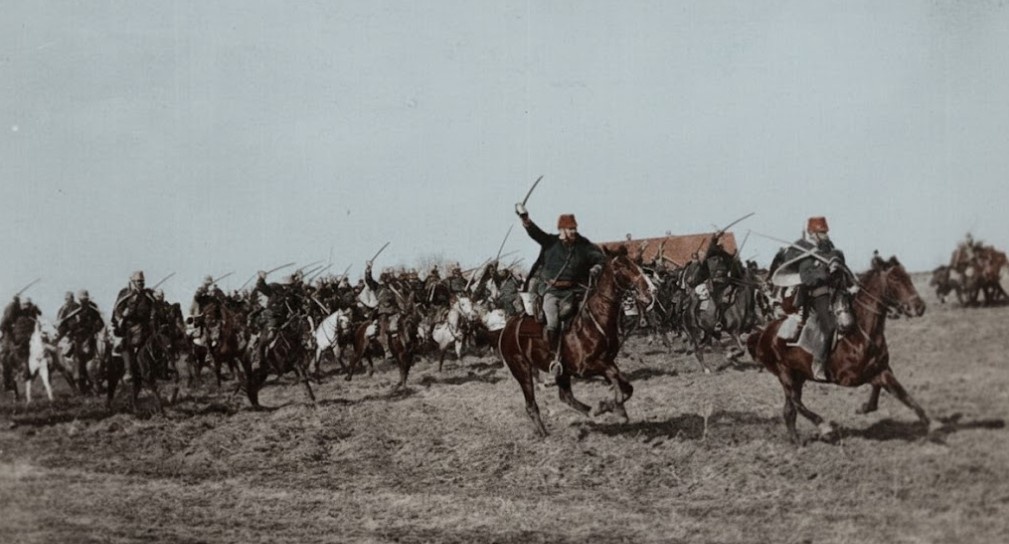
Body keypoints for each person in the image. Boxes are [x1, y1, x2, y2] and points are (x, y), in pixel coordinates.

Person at [515, 203, 606, 377]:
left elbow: (599, 257)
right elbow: (534, 232)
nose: (573, 231)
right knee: (553, 322)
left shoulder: (582, 246)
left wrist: (597, 267)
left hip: (573, 292)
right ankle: (554, 358)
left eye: (574, 228)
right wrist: (524, 218)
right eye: (570, 229)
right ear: (562, 230)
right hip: (552, 292)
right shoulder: (550, 242)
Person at [784, 216, 847, 381]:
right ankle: (818, 363)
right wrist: (827, 272)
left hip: (838, 292)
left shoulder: (830, 251)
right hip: (818, 295)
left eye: (825, 232)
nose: (826, 235)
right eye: (822, 232)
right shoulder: (806, 256)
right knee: (830, 327)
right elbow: (807, 279)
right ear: (813, 234)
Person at [112, 271, 158, 386]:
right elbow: (117, 310)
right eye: (138, 281)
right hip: (128, 327)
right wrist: (123, 315)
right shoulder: (124, 294)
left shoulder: (148, 294)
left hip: (145, 327)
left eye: (142, 282)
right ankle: (128, 371)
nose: (141, 284)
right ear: (132, 282)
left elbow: (154, 308)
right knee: (124, 344)